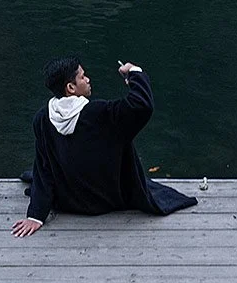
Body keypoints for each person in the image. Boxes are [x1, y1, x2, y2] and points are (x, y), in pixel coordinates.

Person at [12, 58, 196, 237]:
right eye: (83, 77)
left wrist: (36, 215)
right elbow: (142, 105)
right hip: (105, 201)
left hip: (69, 201)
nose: (88, 79)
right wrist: (135, 73)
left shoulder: (42, 118)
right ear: (71, 88)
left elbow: (44, 169)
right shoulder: (99, 114)